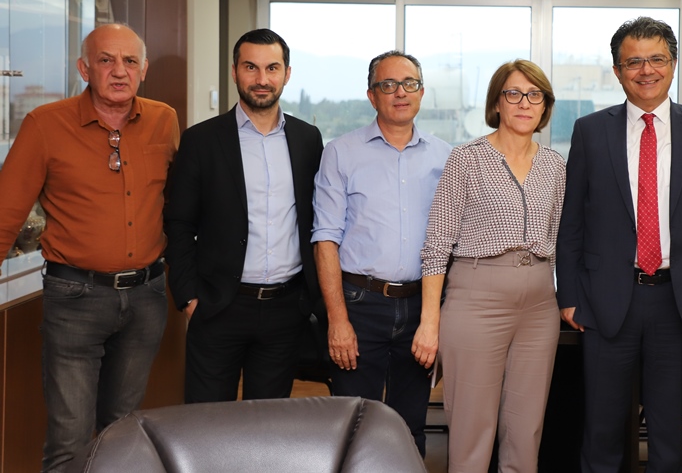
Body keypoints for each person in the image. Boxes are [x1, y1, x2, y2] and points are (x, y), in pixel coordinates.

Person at [556, 17, 682, 473]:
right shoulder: (590, 131)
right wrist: (570, 295)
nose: (646, 70)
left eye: (656, 59)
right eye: (633, 62)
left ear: (673, 64)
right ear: (617, 71)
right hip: (606, 301)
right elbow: (572, 220)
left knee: (668, 435)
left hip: (679, 302)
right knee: (601, 431)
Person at [0, 23, 179, 472]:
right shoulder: (45, 124)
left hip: (147, 297)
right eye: (105, 60)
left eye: (130, 61)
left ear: (144, 69)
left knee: (122, 432)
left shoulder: (164, 120)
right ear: (84, 68)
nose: (119, 71)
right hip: (75, 299)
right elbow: (6, 213)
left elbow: (182, 203)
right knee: (70, 439)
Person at [416, 59, 565, 473]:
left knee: (525, 431)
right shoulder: (466, 159)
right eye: (513, 93)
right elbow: (437, 244)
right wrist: (430, 322)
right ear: (497, 103)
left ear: (545, 105)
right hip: (477, 301)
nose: (524, 103)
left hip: (539, 305)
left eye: (534, 95)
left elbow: (557, 237)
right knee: (471, 432)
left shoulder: (555, 165)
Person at [164, 29, 324, 403]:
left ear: (287, 73)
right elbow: (179, 223)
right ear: (234, 71)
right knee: (206, 421)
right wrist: (188, 298)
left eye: (272, 68)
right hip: (218, 306)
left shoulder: (308, 139)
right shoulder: (201, 140)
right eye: (251, 67)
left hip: (286, 309)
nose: (262, 79)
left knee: (267, 423)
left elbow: (315, 219)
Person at [312, 50, 451, 456]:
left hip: (421, 308)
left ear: (421, 92)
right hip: (360, 305)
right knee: (353, 427)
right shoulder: (341, 152)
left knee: (410, 428)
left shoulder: (446, 157)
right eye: (388, 85)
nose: (400, 93)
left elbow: (451, 242)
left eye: (409, 84)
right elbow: (325, 239)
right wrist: (338, 321)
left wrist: (434, 320)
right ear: (372, 95)